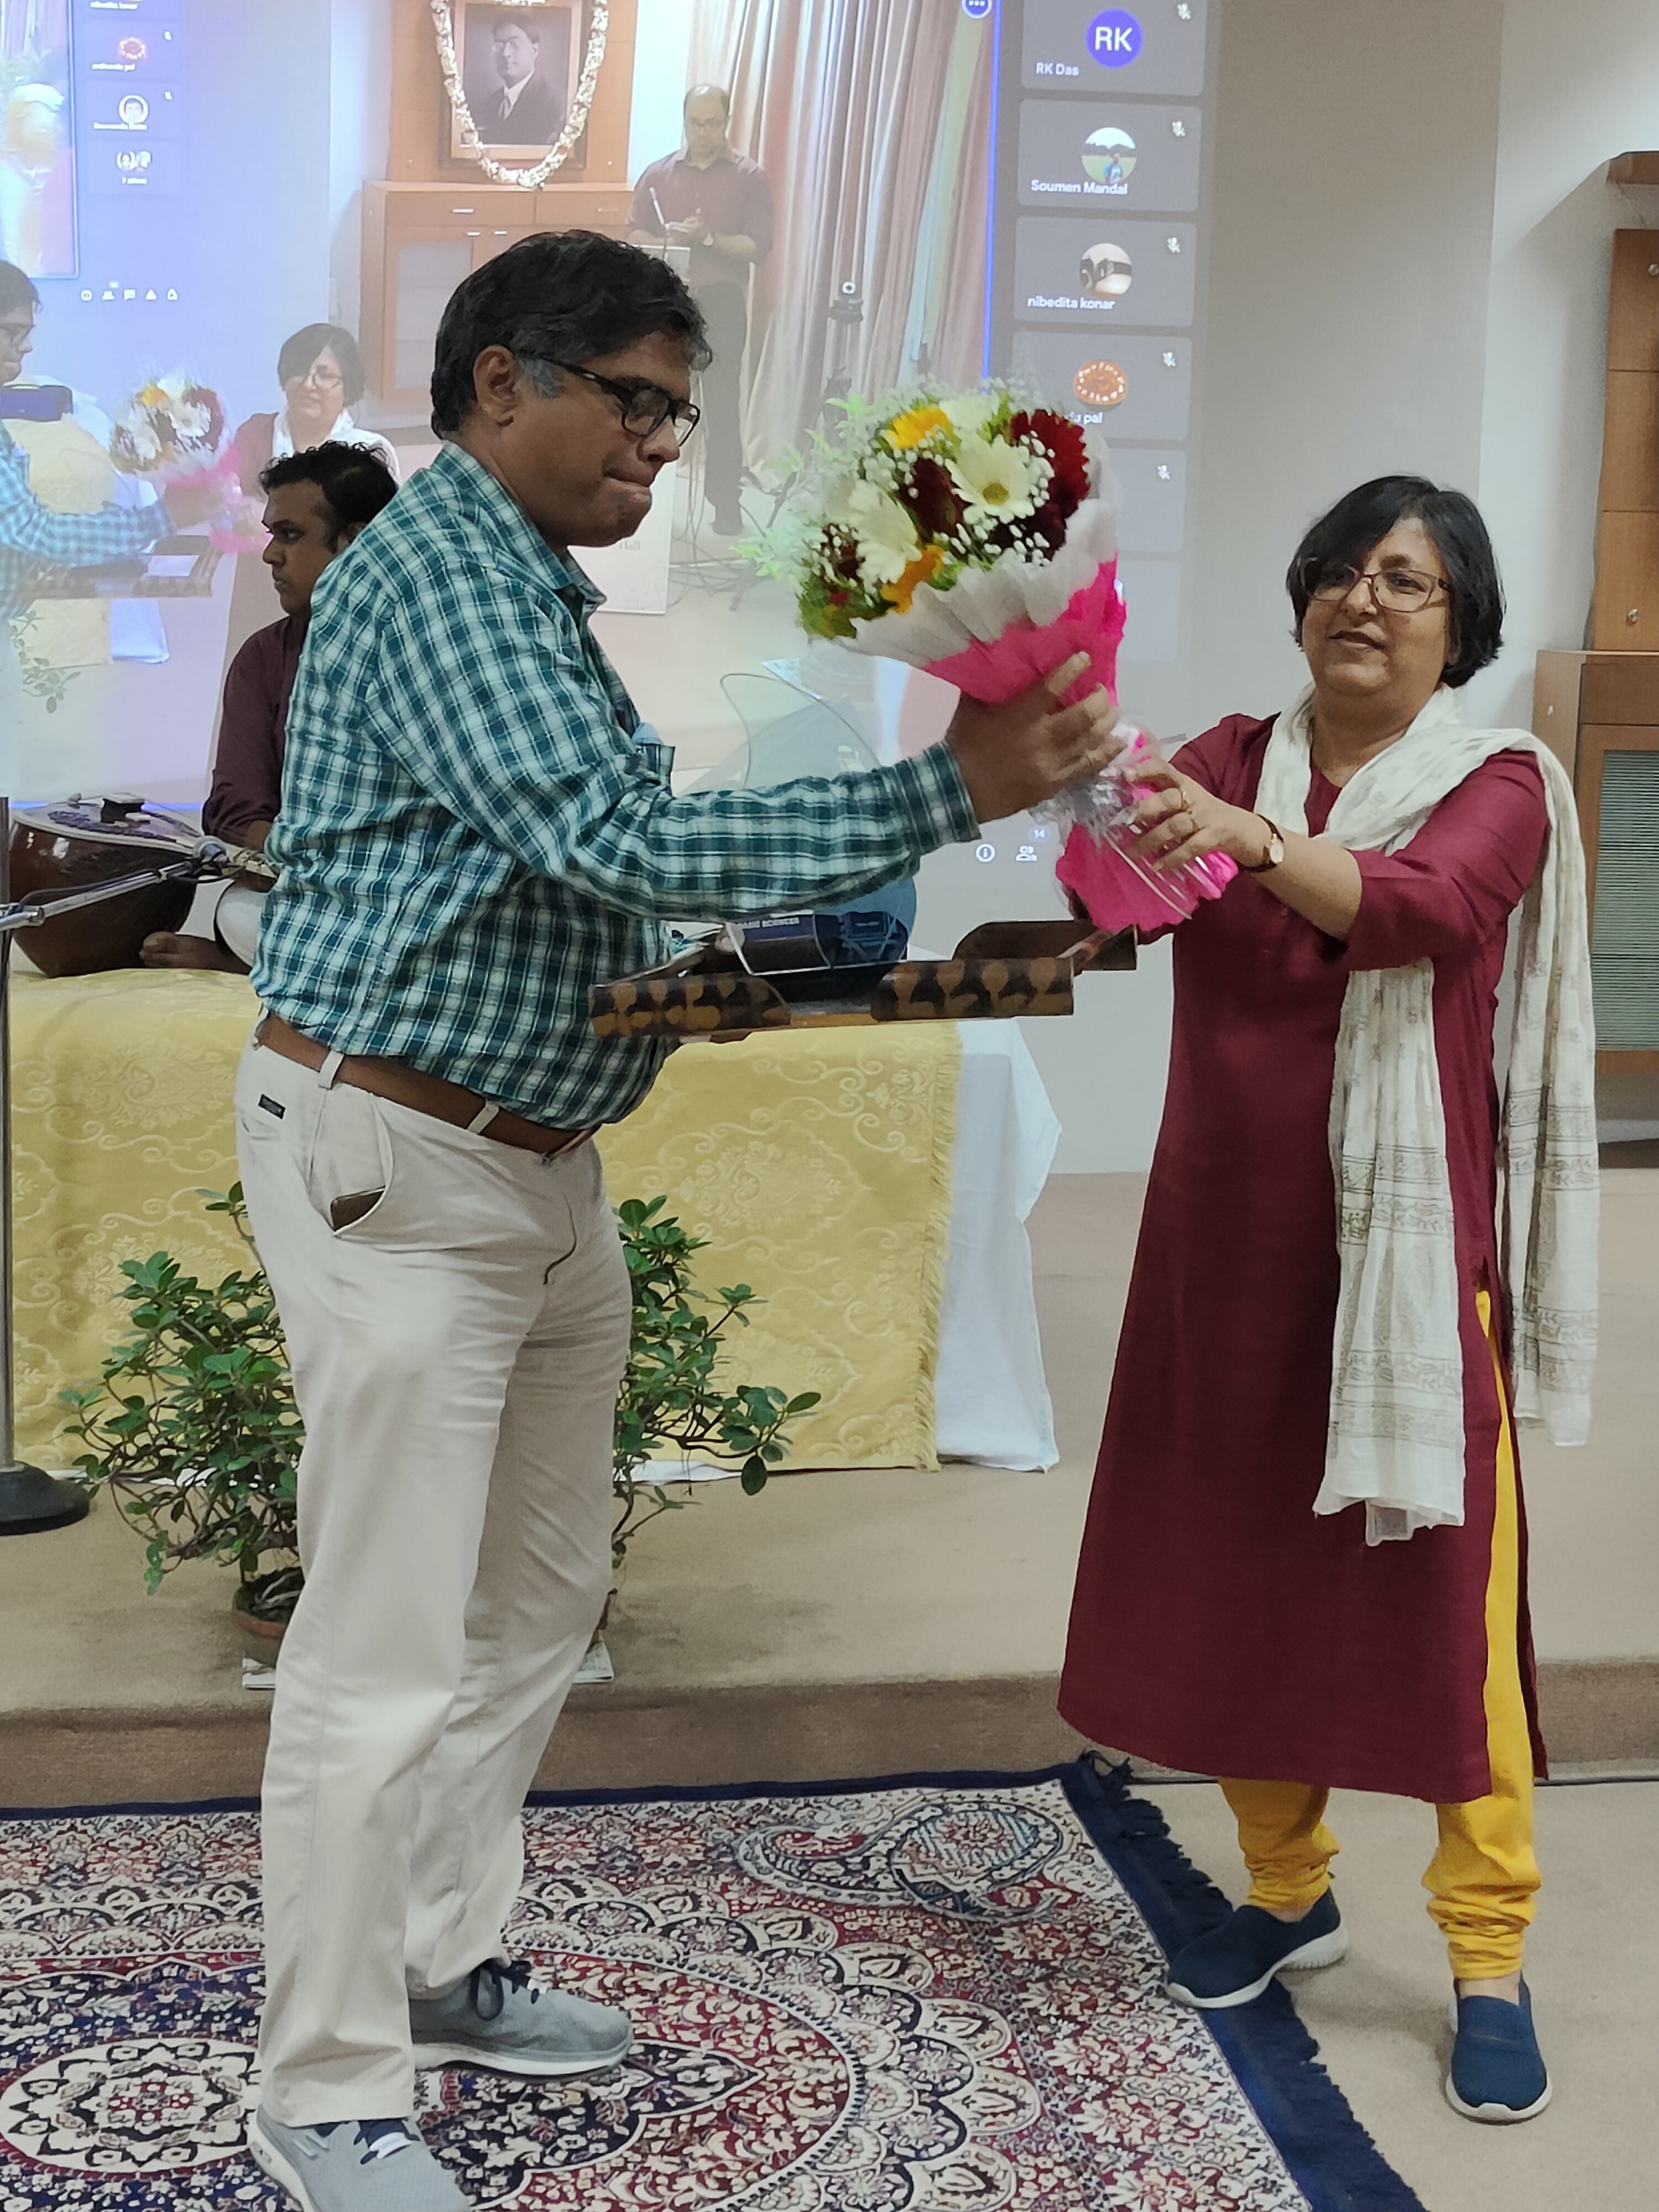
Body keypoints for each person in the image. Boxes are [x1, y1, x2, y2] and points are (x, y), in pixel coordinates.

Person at [236, 227, 1118, 2211]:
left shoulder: (531, 588)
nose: (658, 443)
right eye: (631, 399)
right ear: (500, 383)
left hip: (532, 1161)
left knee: (538, 1605)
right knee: (383, 1645)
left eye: (676, 413)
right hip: (400, 1162)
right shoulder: (442, 571)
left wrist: (695, 980)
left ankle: (438, 1959)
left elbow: (552, 887)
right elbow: (615, 834)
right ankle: (321, 2084)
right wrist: (938, 789)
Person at [1059, 477, 1597, 2125]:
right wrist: (1084, 788)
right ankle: (1287, 1890)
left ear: (1460, 623)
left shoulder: (1497, 782)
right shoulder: (1226, 756)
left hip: (1410, 1265)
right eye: (1341, 572)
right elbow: (1107, 905)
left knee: (1441, 1608)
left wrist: (1248, 842)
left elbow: (1423, 910)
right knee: (1238, 1578)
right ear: (1299, 597)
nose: (1364, 599)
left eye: (1407, 580)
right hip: (1224, 1241)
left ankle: (1486, 1957)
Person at [140, 441, 400, 973]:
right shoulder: (265, 658)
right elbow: (234, 809)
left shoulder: (425, 646)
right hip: (306, 891)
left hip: (410, 898)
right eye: (270, 535)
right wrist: (308, 860)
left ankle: (253, 967)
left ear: (355, 543)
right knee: (241, 913)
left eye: (290, 535)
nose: (269, 555)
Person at [627, 85, 773, 536]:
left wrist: (707, 238)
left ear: (726, 123)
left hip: (721, 303)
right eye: (695, 123)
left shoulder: (749, 176)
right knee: (648, 400)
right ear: (685, 121)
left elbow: (757, 247)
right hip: (668, 303)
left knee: (722, 405)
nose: (703, 132)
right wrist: (666, 240)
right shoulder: (659, 174)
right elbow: (633, 234)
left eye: (712, 124)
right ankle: (636, 497)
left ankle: (726, 503)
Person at [221, 324, 399, 675]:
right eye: (299, 371)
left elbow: (383, 543)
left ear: (347, 384)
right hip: (260, 596)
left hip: (345, 613)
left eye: (325, 375)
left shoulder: (371, 452)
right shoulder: (256, 433)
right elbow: (223, 496)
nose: (309, 384)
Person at [465, 13, 565, 144]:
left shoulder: (549, 103)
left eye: (515, 44)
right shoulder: (493, 103)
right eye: (499, 45)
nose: (506, 53)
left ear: (535, 51)